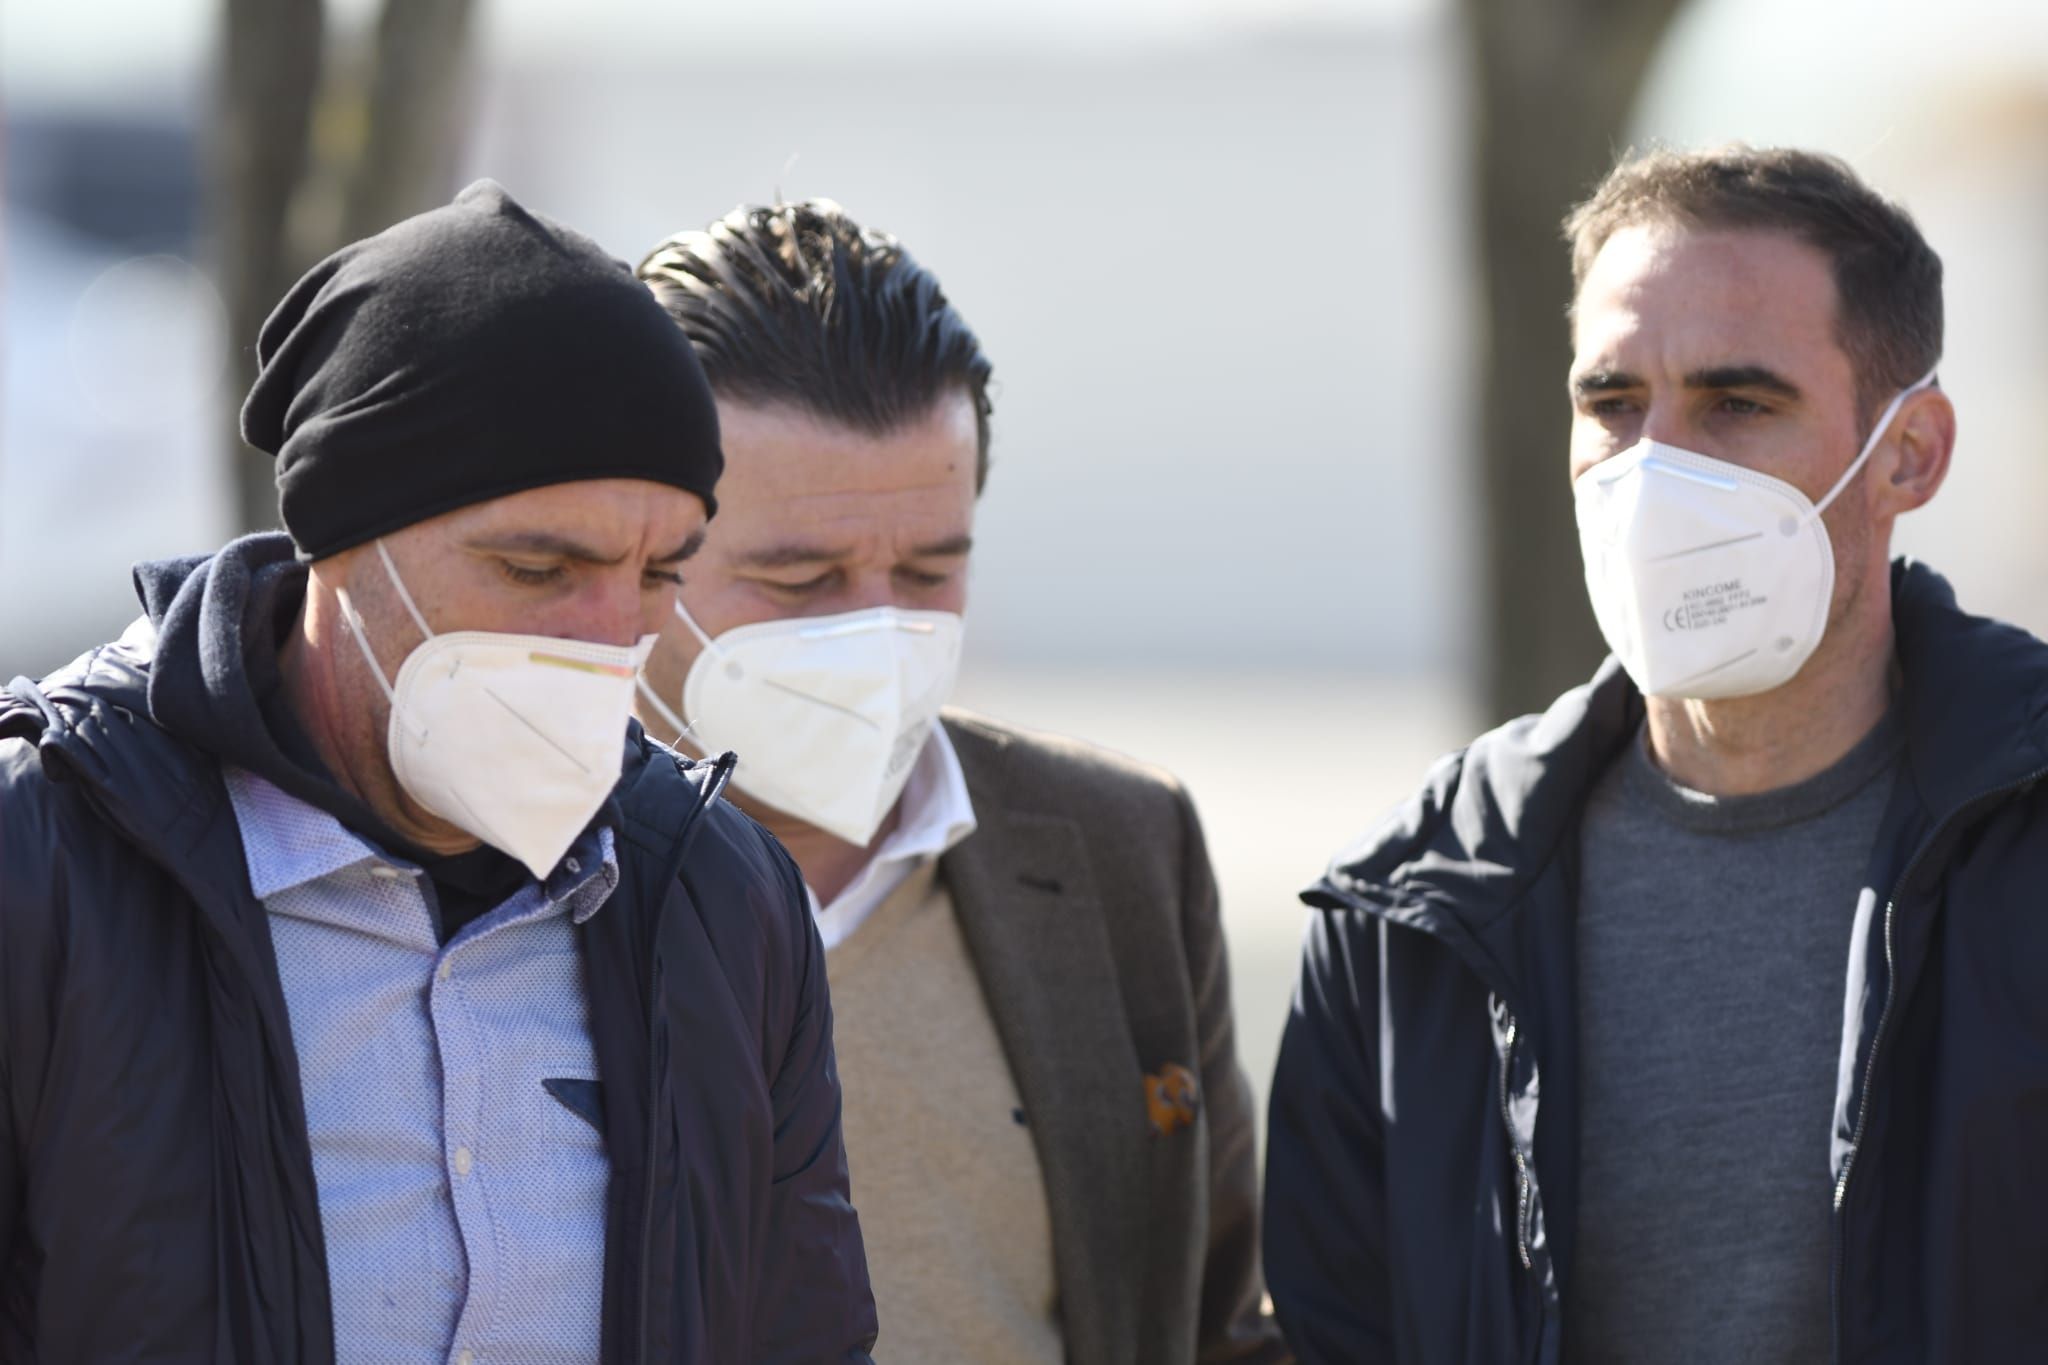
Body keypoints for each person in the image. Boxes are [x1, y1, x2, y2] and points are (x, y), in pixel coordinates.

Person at [0, 182, 874, 1363]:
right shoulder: (41, 862)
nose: (607, 634)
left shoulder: (719, 897)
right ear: (341, 544)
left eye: (659, 573)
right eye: (535, 567)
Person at [1264, 145, 2048, 1363]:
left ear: (1908, 454)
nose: (1653, 471)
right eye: (1611, 403)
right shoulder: (1408, 913)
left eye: (1736, 403)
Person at [630, 200, 1289, 1365]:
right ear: (644, 553)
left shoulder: (1117, 845)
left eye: (929, 569)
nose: (878, 628)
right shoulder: (501, 862)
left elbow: (1214, 1321)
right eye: (802, 580)